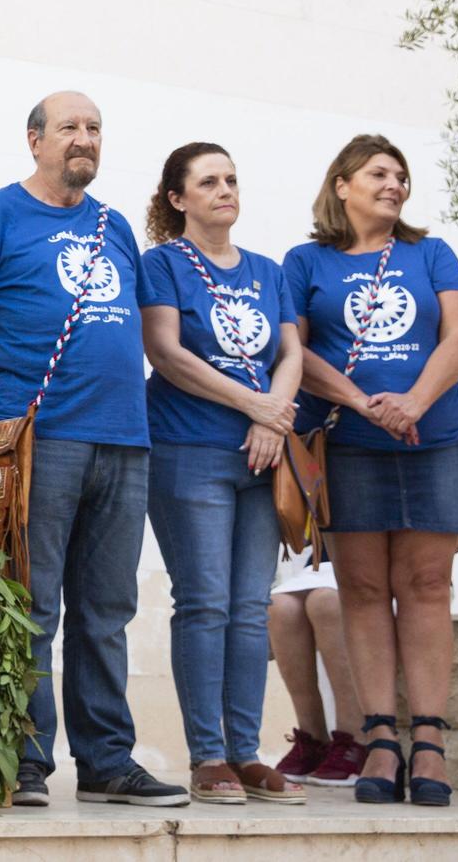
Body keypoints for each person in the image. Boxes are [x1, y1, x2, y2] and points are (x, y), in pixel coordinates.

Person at [0, 92, 184, 809]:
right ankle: (24, 760)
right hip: (40, 443)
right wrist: (6, 407)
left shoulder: (113, 227)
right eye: (70, 128)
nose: (85, 140)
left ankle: (108, 760)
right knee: (32, 605)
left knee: (107, 610)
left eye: (95, 129)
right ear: (35, 140)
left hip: (124, 439)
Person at [283, 135, 458, 808]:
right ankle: (379, 739)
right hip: (351, 444)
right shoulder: (306, 261)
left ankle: (428, 742)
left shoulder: (432, 253)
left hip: (437, 440)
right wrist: (368, 404)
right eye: (379, 173)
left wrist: (414, 403)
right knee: (362, 589)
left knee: (427, 583)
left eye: (401, 174)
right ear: (342, 185)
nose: (394, 184)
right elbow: (294, 352)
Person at [137, 143, 305, 806]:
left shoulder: (267, 269)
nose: (225, 189)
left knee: (249, 607)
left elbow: (290, 351)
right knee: (204, 602)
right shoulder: (163, 265)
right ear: (178, 198)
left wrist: (273, 418)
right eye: (209, 181)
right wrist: (252, 404)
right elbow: (166, 353)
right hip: (189, 452)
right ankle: (207, 755)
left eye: (232, 178)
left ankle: (246, 751)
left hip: (264, 458)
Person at [269, 550, 367, 786]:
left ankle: (355, 740)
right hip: (324, 558)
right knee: (280, 607)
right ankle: (312, 738)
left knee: (326, 602)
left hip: (376, 560)